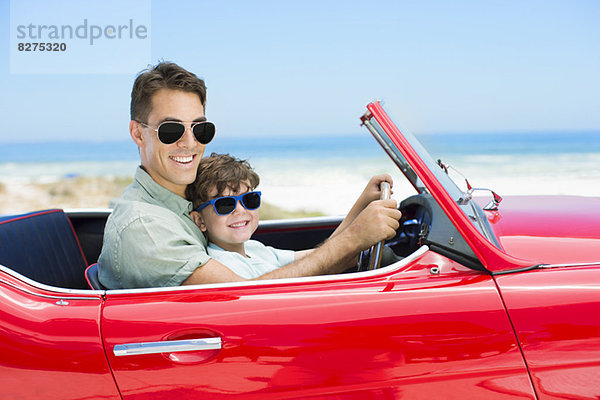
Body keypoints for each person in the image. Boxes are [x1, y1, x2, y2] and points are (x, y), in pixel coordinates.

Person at [97, 61, 402, 289]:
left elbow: (317, 259)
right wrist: (353, 238)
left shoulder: (181, 200)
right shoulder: (146, 227)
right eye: (171, 129)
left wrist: (359, 215)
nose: (189, 142)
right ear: (138, 133)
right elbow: (245, 296)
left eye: (200, 128)